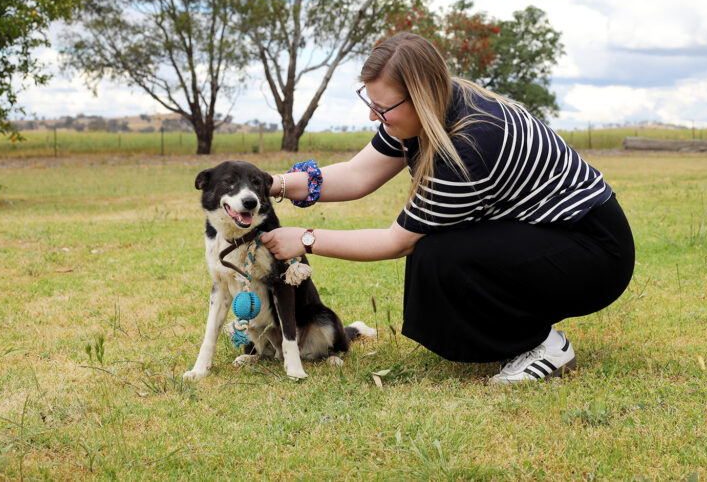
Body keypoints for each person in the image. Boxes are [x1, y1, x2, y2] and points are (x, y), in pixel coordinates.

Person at [260, 32, 635, 384]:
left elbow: (396, 242)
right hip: (550, 235)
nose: (374, 117)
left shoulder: (469, 145)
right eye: (369, 102)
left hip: (594, 253)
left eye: (381, 108)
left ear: (418, 96)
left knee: (440, 255)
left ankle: (542, 344)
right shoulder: (429, 112)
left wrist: (305, 239)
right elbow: (357, 175)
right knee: (438, 253)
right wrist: (270, 184)